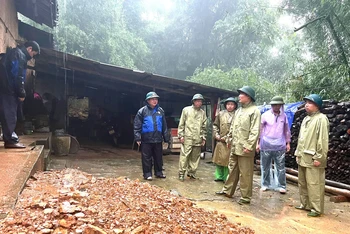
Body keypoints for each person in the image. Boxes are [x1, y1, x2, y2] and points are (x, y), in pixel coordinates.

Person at [216, 86, 261, 205]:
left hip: (245, 147)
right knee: (232, 169)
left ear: (248, 97)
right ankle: (227, 191)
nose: (239, 96)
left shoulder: (254, 111)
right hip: (235, 145)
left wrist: (249, 145)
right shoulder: (239, 110)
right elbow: (233, 127)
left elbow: (255, 130)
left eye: (242, 94)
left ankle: (245, 197)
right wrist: (229, 139)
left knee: (245, 173)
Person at [0, 41, 40, 148]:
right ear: (30, 49)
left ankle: (7, 136)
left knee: (6, 114)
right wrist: (21, 92)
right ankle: (10, 141)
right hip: (9, 90)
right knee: (10, 115)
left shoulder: (14, 53)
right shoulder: (20, 55)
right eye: (33, 54)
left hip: (4, 88)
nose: (31, 57)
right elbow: (18, 77)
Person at [294, 94, 329, 217]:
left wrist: (319, 157)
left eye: (310, 103)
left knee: (314, 183)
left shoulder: (321, 119)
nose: (306, 105)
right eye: (306, 102)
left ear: (317, 106)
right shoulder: (305, 119)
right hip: (303, 156)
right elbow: (301, 139)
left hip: (313, 157)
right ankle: (305, 204)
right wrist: (298, 153)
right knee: (302, 182)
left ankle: (316, 208)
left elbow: (322, 140)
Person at [256, 96, 291, 194]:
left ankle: (281, 186)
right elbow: (260, 130)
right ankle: (265, 184)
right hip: (266, 144)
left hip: (279, 145)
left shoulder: (284, 116)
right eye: (274, 104)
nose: (276, 106)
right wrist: (257, 143)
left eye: (278, 104)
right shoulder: (265, 115)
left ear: (281, 105)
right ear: (271, 105)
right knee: (265, 166)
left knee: (280, 166)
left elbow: (286, 130)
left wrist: (288, 143)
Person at [134, 91, 169, 181]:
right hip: (146, 138)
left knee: (158, 157)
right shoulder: (142, 111)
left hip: (158, 138)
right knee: (146, 157)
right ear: (148, 100)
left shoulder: (160, 111)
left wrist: (166, 138)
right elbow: (137, 125)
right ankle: (147, 174)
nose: (155, 101)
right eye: (152, 99)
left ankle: (159, 172)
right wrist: (137, 137)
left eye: (156, 99)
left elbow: (164, 125)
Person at [178, 94, 207, 181]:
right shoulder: (186, 110)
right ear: (193, 101)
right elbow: (181, 123)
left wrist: (204, 137)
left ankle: (191, 173)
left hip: (198, 138)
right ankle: (181, 173)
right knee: (184, 156)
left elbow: (204, 126)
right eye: (197, 101)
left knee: (195, 157)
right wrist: (181, 135)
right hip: (187, 137)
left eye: (200, 101)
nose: (199, 102)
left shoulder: (202, 113)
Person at [212, 97, 237, 182]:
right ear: (225, 105)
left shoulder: (237, 115)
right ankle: (218, 176)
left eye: (232, 104)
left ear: (235, 106)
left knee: (227, 161)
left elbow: (236, 129)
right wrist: (216, 135)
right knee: (218, 160)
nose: (230, 106)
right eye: (228, 104)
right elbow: (215, 125)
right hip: (220, 140)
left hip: (230, 142)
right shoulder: (221, 114)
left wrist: (227, 138)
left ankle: (226, 177)